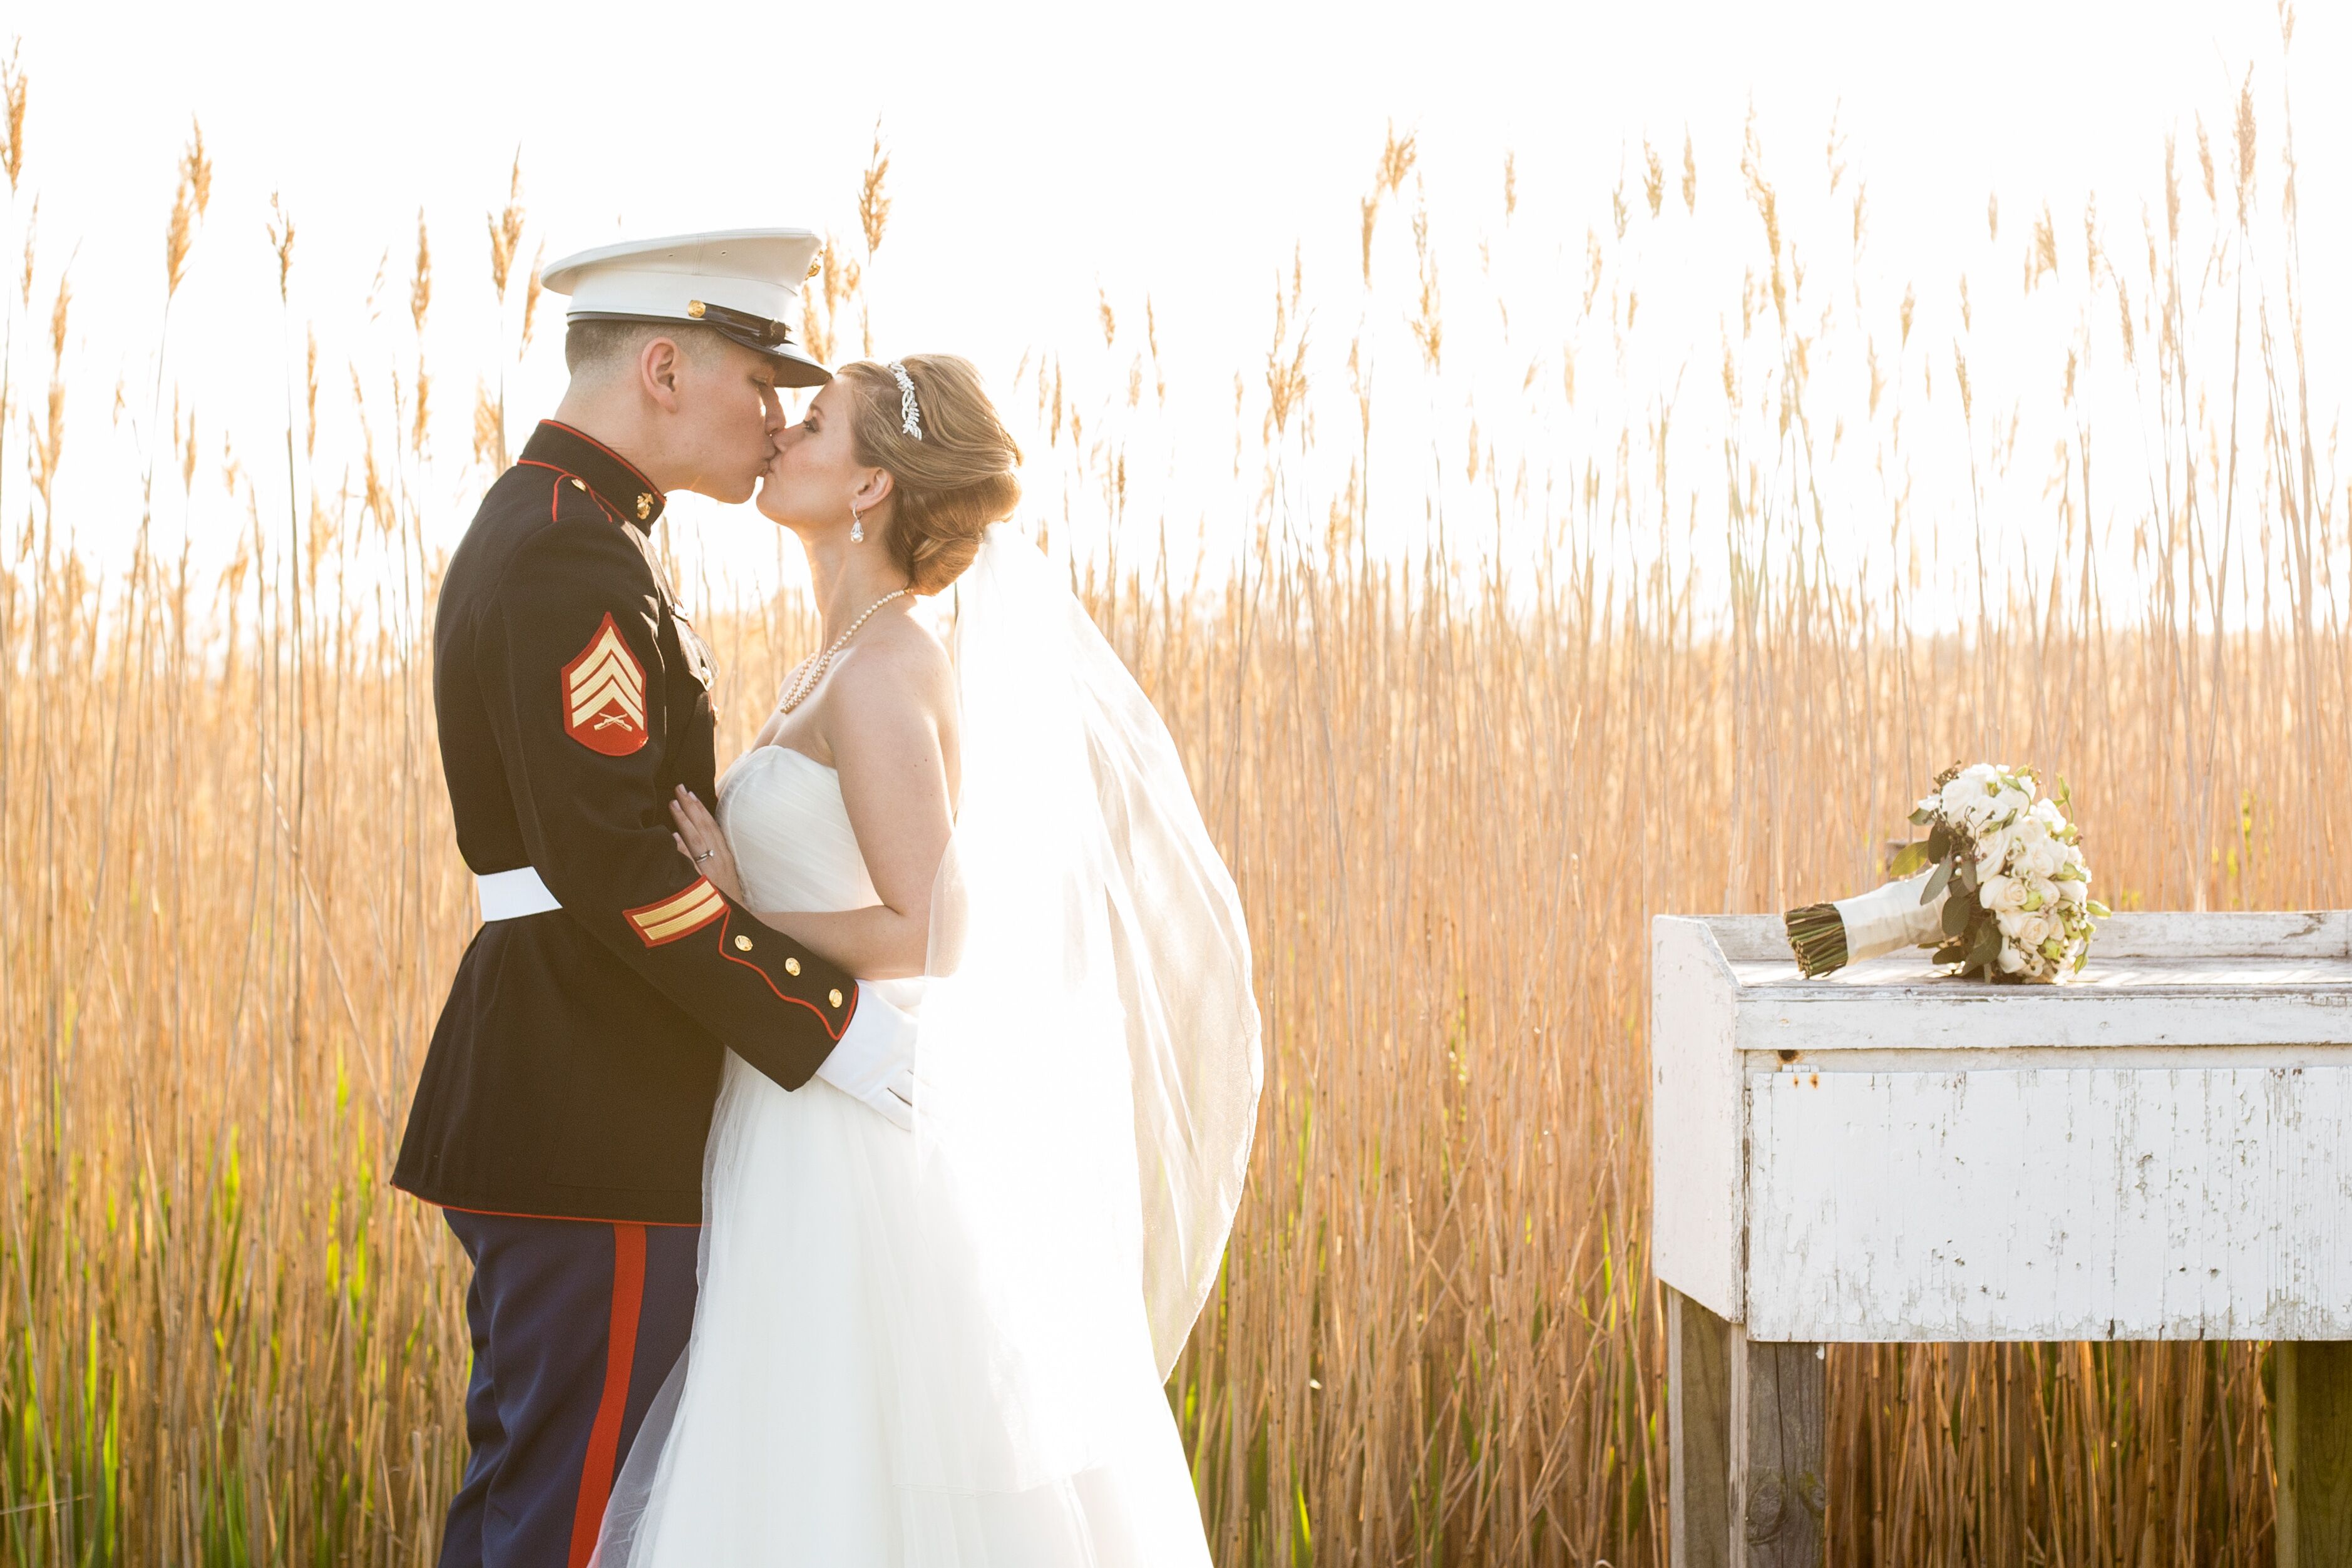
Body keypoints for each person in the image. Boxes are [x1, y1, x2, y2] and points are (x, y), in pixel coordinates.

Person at [593, 355, 1263, 1565]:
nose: (782, 432)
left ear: (868, 489)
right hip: (792, 1115)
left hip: (852, 1144)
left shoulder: (889, 665)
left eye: (816, 422)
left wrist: (740, 917)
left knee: (842, 1468)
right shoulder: (837, 665)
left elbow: (931, 929)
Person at [393, 230, 923, 1568]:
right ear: (669, 367)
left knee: (537, 1501)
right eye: (759, 382)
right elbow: (623, 874)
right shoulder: (573, 552)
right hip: (590, 1096)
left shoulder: (577, 529)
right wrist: (839, 1029)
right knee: (569, 1520)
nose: (771, 419)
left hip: (570, 1086)